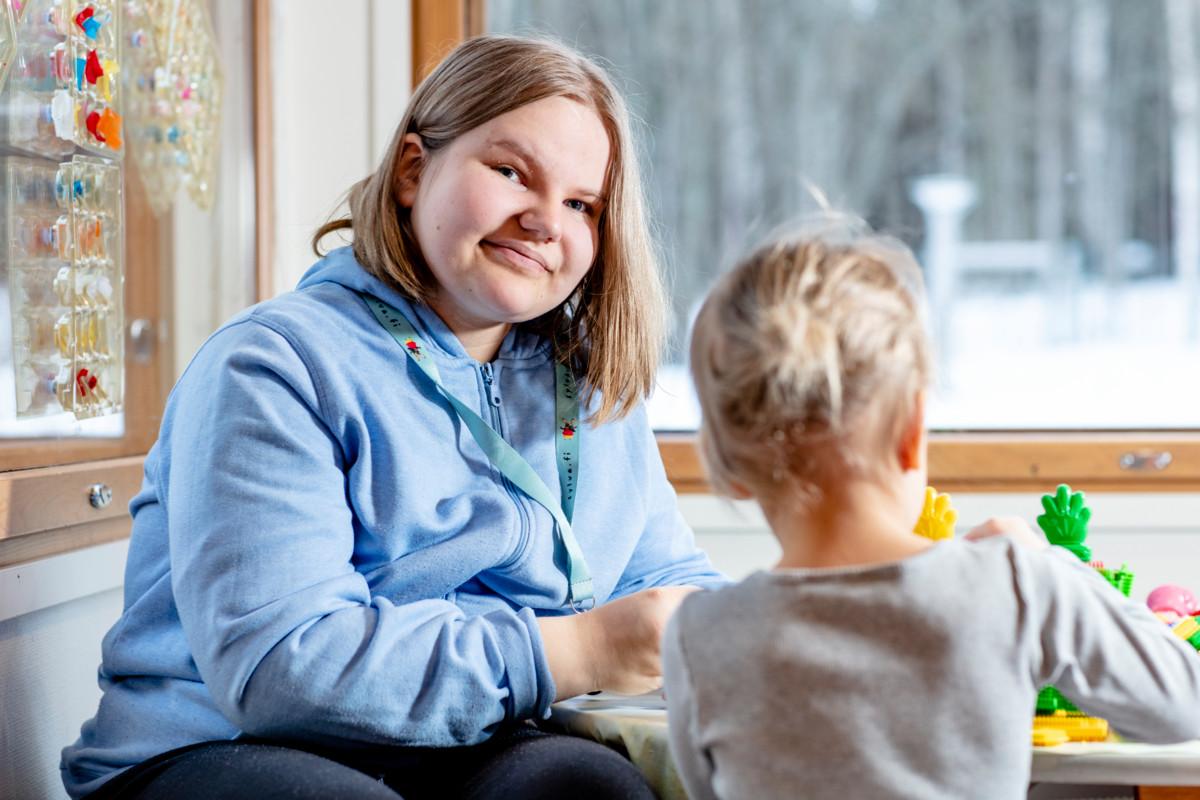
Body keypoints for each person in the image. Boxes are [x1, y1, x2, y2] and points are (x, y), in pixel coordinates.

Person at [62, 34, 724, 800]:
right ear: (414, 170)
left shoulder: (593, 388)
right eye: (511, 172)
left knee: (587, 790)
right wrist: (573, 649)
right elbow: (282, 669)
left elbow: (666, 579)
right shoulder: (272, 366)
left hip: (468, 741)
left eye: (581, 204)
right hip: (222, 745)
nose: (546, 221)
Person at [662, 216, 1200, 800]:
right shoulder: (1016, 584)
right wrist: (1045, 564)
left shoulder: (698, 636)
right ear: (914, 431)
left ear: (730, 469)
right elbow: (1184, 703)